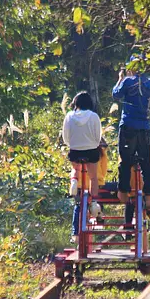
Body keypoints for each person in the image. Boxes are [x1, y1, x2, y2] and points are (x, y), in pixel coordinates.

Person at [112, 55, 150, 228]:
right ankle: (149, 196)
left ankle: (124, 192)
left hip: (128, 127)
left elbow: (115, 95)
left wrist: (120, 78)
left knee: (126, 161)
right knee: (146, 163)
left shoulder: (127, 81)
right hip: (144, 127)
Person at [62, 93, 102, 230]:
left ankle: (74, 180)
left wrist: (73, 144)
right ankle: (94, 201)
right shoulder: (94, 116)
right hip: (91, 151)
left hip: (75, 151)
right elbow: (98, 137)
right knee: (93, 177)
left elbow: (65, 138)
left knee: (76, 167)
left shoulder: (69, 116)